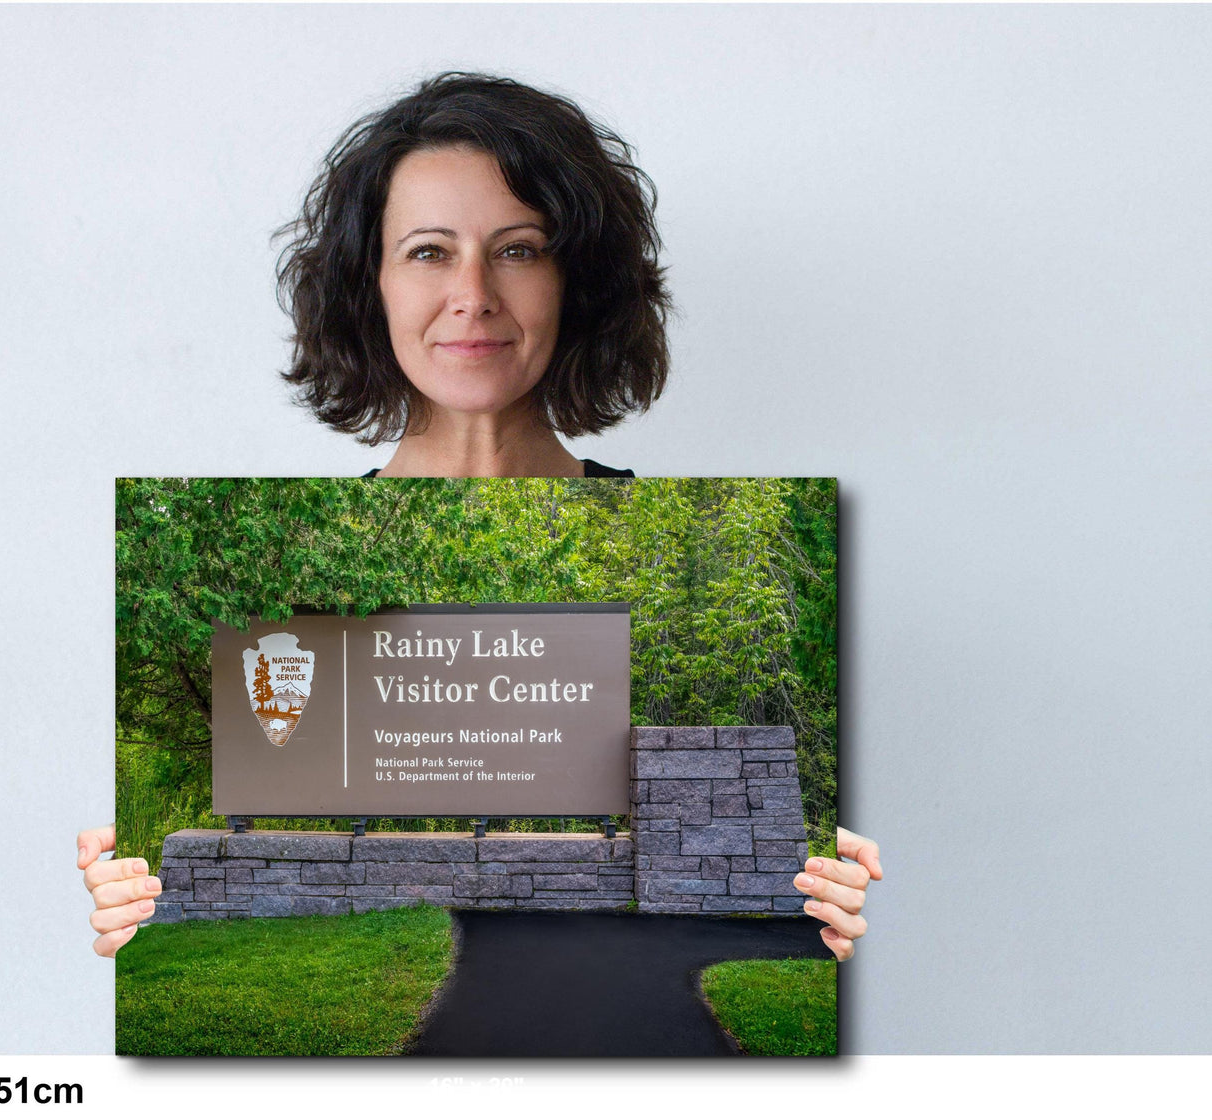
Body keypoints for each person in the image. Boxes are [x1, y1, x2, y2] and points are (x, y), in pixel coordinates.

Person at [80, 72, 882, 959]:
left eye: (519, 249)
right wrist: (125, 907)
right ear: (369, 284)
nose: (473, 294)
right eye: (428, 251)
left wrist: (830, 908)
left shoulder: (702, 549)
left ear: (575, 283)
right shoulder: (273, 569)